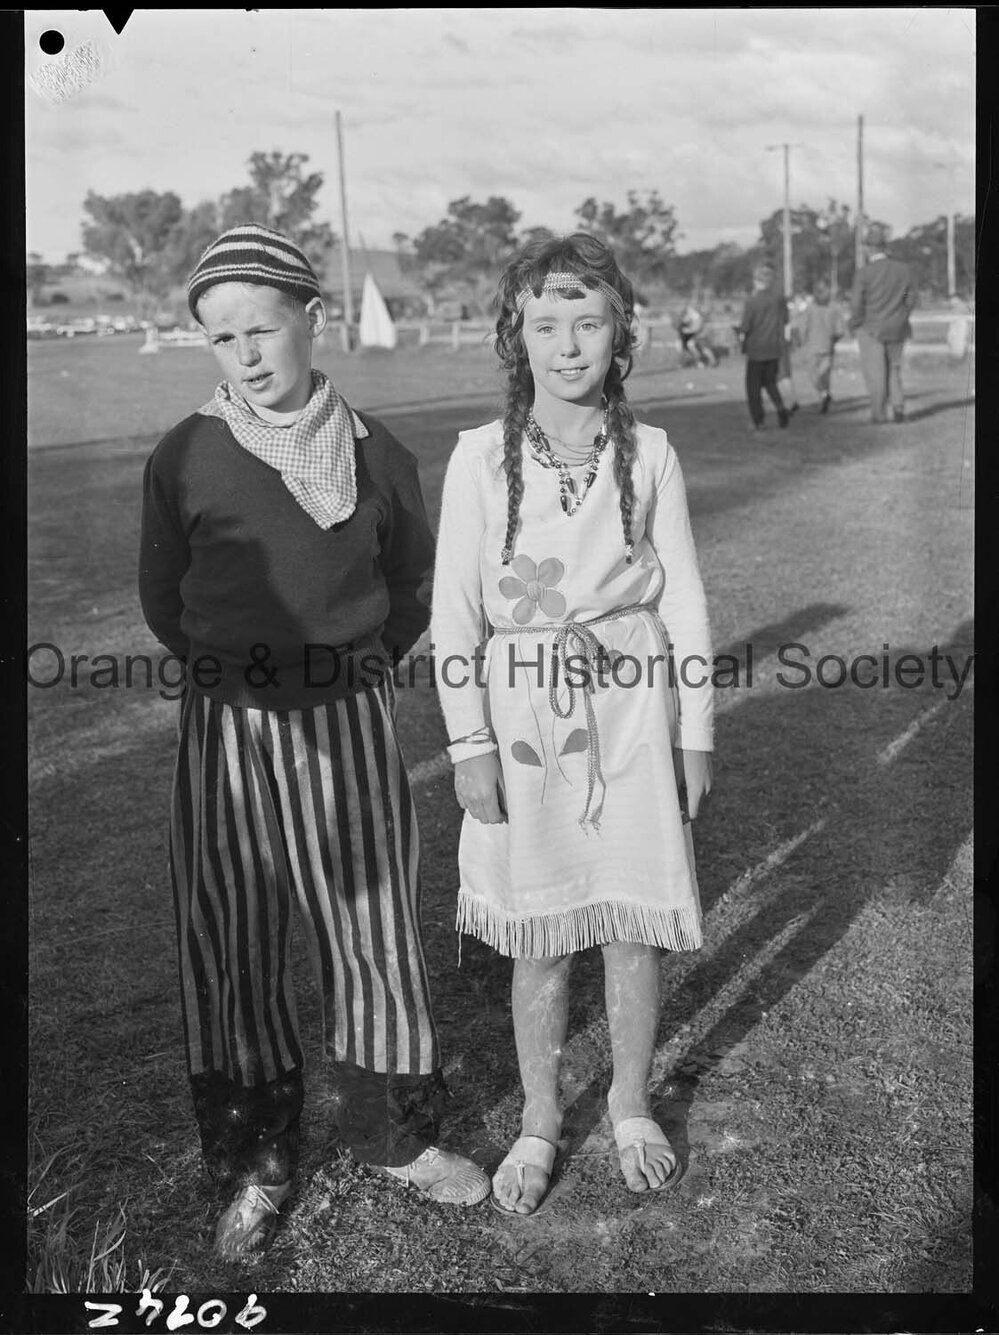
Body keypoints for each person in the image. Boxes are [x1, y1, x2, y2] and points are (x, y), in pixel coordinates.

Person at [139, 224, 489, 1259]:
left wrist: (352, 663)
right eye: (220, 336)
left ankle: (395, 1139)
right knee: (230, 943)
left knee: (370, 928)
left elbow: (415, 584)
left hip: (347, 715)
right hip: (227, 730)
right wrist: (236, 673)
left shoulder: (379, 452)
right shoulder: (188, 451)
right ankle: (255, 1162)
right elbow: (164, 596)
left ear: (312, 318)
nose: (245, 353)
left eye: (263, 327)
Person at [430, 233, 714, 1216]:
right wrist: (467, 744)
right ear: (515, 337)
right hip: (521, 722)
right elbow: (454, 614)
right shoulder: (477, 459)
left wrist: (696, 736)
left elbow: (682, 607)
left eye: (587, 322)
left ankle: (631, 1101)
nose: (567, 344)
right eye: (545, 324)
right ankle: (541, 1119)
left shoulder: (653, 455)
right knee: (540, 933)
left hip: (633, 707)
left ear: (619, 333)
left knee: (632, 923)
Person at [849, 222, 917, 423]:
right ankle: (898, 407)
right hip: (898, 326)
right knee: (894, 368)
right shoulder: (903, 270)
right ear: (885, 247)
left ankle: (879, 414)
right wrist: (903, 312)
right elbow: (910, 296)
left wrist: (855, 324)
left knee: (876, 372)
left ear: (869, 248)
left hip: (871, 328)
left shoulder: (864, 273)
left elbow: (856, 303)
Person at [735, 261, 790, 431]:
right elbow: (786, 319)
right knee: (770, 382)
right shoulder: (779, 300)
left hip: (756, 350)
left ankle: (758, 420)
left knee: (753, 388)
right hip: (774, 348)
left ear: (756, 280)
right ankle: (781, 407)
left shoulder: (752, 301)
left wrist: (738, 332)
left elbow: (745, 326)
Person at [795, 279, 847, 413]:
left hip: (812, 346)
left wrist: (801, 342)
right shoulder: (834, 307)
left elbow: (802, 327)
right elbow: (840, 330)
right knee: (825, 375)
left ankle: (823, 395)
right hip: (827, 346)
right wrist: (833, 340)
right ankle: (825, 397)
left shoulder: (810, 308)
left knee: (814, 375)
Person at [677, 302, 716, 368]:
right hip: (697, 335)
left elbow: (697, 328)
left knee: (704, 349)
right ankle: (699, 362)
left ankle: (710, 362)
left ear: (692, 309)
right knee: (690, 345)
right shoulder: (692, 316)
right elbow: (684, 322)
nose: (688, 311)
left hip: (702, 335)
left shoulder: (696, 316)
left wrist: (688, 330)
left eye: (689, 309)